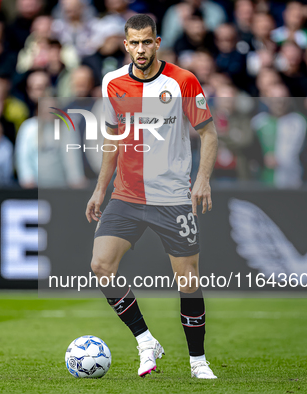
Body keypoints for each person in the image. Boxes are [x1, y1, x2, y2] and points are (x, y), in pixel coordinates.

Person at [87, 14, 218, 379]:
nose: (141, 49)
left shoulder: (182, 81)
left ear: (157, 42)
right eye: (134, 43)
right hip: (126, 195)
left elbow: (208, 134)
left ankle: (197, 362)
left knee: (187, 279)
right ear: (125, 44)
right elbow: (112, 140)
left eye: (147, 42)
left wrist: (202, 179)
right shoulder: (112, 82)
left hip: (172, 197)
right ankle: (146, 341)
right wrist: (100, 189)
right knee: (101, 266)